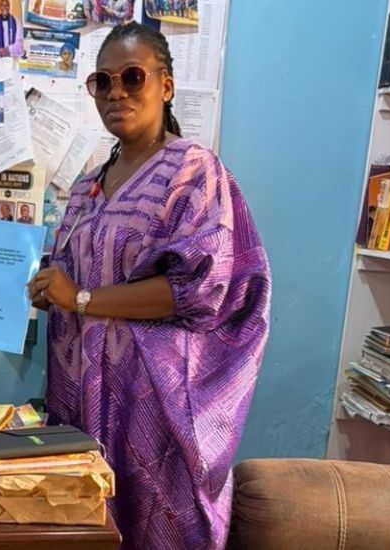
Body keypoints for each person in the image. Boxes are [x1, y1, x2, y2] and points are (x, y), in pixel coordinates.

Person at [27, 22, 270, 549]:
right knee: (86, 526)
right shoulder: (89, 183)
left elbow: (199, 289)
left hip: (153, 406)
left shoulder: (193, 172)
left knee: (158, 528)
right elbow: (69, 276)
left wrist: (82, 298)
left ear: (166, 85)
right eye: (103, 81)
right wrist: (45, 286)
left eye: (132, 77)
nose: (117, 92)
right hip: (81, 401)